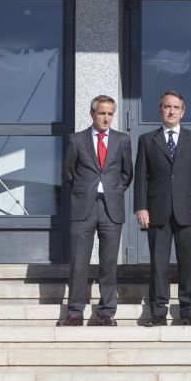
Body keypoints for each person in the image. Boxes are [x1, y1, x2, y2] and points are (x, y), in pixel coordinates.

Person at [134, 91, 191, 327]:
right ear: (160, 109)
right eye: (167, 107)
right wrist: (141, 207)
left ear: (183, 111)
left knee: (188, 264)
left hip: (189, 210)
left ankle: (188, 311)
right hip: (157, 211)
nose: (171, 111)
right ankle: (157, 312)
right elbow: (140, 179)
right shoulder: (147, 140)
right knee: (158, 265)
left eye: (176, 107)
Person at [57, 95, 133, 327]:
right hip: (83, 207)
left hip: (111, 207)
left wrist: (113, 190)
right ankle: (75, 312)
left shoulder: (122, 140)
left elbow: (127, 174)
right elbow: (68, 173)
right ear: (92, 114)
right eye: (102, 113)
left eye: (110, 114)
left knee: (108, 263)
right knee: (79, 261)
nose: (106, 118)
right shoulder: (76, 140)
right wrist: (83, 191)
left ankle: (106, 312)